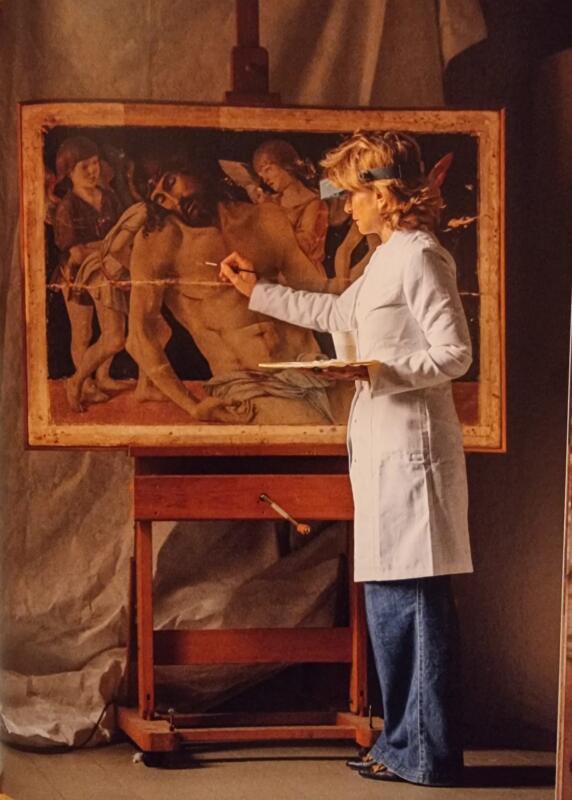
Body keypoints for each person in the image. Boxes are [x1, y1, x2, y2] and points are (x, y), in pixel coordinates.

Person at [220, 130, 473, 787]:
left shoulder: (423, 257)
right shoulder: (384, 259)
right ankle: (401, 743)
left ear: (383, 195)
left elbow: (455, 354)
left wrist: (379, 370)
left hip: (415, 454)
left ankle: (426, 752)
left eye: (350, 193)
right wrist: (256, 289)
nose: (342, 205)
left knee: (415, 605)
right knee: (390, 604)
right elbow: (335, 311)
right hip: (383, 451)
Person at [53, 136, 130, 409]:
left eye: (94, 163)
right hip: (74, 278)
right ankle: (83, 383)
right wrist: (111, 245)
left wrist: (105, 246)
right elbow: (77, 253)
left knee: (110, 332)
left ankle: (104, 377)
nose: (92, 171)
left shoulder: (109, 197)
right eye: (83, 166)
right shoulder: (67, 207)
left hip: (106, 274)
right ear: (69, 173)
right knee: (83, 333)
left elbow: (125, 234)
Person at [252, 139, 328, 271]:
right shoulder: (271, 200)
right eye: (261, 175)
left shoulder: (313, 203)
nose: (265, 179)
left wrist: (272, 212)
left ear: (286, 166)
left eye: (268, 170)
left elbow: (304, 246)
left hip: (305, 275)